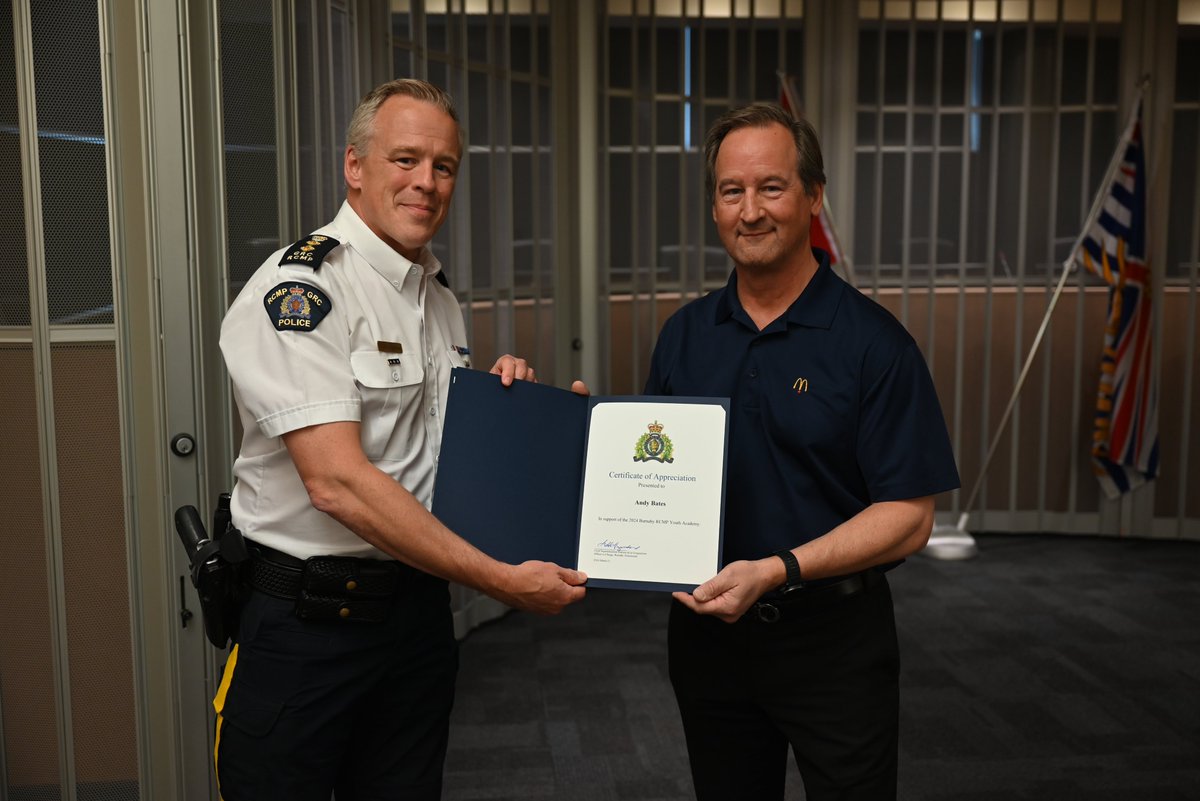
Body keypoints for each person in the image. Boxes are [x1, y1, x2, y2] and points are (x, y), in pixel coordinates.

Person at [215, 78, 587, 801]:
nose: (426, 182)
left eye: (443, 166)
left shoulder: (436, 297)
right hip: (307, 629)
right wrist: (499, 579)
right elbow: (338, 482)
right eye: (406, 159)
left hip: (414, 622)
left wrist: (520, 418)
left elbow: (436, 459)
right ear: (355, 166)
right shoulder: (304, 291)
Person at [645, 102, 960, 800]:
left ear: (813, 196)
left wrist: (780, 568)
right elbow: (647, 478)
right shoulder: (683, 336)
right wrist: (578, 428)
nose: (750, 210)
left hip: (835, 643)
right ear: (715, 204)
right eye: (732, 191)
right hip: (708, 645)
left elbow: (910, 516)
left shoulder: (874, 344)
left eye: (772, 187)